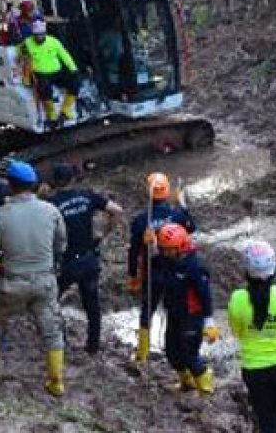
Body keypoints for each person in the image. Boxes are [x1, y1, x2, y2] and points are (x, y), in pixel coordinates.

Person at [0, 160, 68, 396]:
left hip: (12, 284)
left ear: (9, 185)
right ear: (34, 184)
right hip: (45, 282)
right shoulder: (51, 211)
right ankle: (56, 382)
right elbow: (61, 245)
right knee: (52, 331)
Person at [47, 163, 123, 355]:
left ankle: (60, 341)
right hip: (89, 259)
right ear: (73, 179)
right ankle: (92, 347)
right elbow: (117, 210)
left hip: (67, 262)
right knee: (92, 305)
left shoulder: (51, 204)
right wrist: (104, 233)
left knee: (51, 302)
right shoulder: (86, 195)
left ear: (55, 181)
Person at [229, 241, 276, 433]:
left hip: (255, 369)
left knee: (266, 420)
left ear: (246, 271)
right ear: (274, 269)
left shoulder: (237, 300)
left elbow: (237, 332)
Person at [137, 223, 218, 394]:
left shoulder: (194, 267)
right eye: (163, 249)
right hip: (174, 314)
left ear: (180, 247)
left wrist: (209, 322)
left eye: (169, 250)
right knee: (172, 353)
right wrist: (147, 245)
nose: (166, 253)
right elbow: (149, 265)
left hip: (191, 316)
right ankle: (187, 382)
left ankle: (206, 390)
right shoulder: (165, 260)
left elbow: (205, 295)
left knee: (189, 355)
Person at [127, 172, 198, 362]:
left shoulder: (141, 220)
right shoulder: (177, 215)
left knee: (147, 311)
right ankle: (175, 350)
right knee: (174, 312)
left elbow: (133, 251)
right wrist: (183, 205)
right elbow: (191, 228)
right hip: (175, 273)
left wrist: (132, 275)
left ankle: (142, 354)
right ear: (167, 192)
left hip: (153, 273)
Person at [22, 19, 80, 128]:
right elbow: (23, 58)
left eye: (41, 34)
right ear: (33, 34)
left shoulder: (53, 41)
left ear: (45, 33)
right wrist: (26, 76)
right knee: (44, 89)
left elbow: (64, 55)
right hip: (41, 74)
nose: (39, 37)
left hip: (57, 72)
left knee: (75, 83)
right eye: (37, 35)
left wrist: (73, 68)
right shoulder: (27, 43)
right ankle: (52, 114)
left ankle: (65, 109)